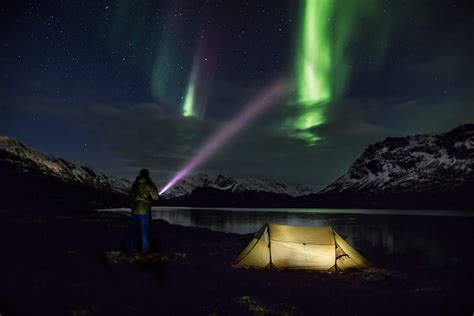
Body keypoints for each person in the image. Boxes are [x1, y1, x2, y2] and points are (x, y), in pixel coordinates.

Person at [125, 168, 159, 254]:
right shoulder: (149, 184)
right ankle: (145, 251)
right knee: (145, 231)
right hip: (145, 210)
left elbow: (131, 197)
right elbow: (156, 197)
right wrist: (153, 200)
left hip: (135, 210)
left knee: (132, 230)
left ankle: (128, 249)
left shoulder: (135, 184)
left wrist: (133, 206)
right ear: (147, 175)